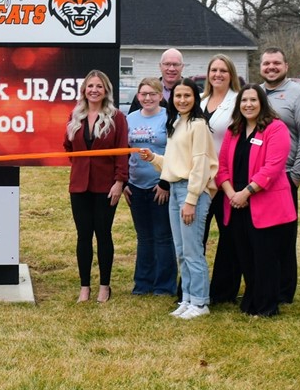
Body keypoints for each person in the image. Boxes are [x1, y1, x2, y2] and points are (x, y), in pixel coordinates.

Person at [140, 78, 218, 319]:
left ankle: (200, 302)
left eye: (187, 96)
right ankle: (187, 298)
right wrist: (153, 158)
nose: (182, 100)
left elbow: (200, 165)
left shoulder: (198, 124)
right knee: (181, 250)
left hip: (190, 191)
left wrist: (192, 199)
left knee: (194, 250)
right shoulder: (176, 122)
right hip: (174, 189)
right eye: (178, 96)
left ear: (195, 98)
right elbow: (174, 164)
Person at [216, 84, 295, 317]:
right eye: (244, 101)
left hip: (264, 204)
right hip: (236, 204)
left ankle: (267, 305)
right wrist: (231, 194)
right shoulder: (234, 131)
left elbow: (272, 168)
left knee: (265, 257)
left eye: (253, 100)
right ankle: (251, 299)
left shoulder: (275, 128)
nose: (248, 104)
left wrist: (246, 193)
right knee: (245, 255)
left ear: (262, 103)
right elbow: (221, 168)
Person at [64, 70, 128, 303]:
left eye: (99, 86)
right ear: (84, 91)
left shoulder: (117, 117)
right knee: (83, 236)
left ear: (106, 91)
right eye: (90, 86)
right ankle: (84, 287)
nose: (94, 90)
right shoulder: (75, 116)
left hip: (105, 186)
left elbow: (122, 152)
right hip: (79, 186)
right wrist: (82, 166)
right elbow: (68, 148)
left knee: (103, 234)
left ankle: (104, 286)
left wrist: (119, 182)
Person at [259, 47, 300, 303]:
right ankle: (262, 283)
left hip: (285, 176)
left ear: (286, 66)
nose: (271, 67)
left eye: (276, 63)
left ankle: (284, 290)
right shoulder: (256, 93)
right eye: (267, 63)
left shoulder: (298, 95)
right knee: (262, 235)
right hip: (258, 178)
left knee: (283, 235)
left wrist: (296, 174)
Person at [123, 77, 176, 296]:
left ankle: (164, 286)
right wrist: (125, 181)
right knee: (144, 237)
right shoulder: (130, 118)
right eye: (143, 94)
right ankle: (143, 284)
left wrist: (165, 183)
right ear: (138, 96)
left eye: (152, 94)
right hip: (136, 186)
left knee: (163, 237)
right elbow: (124, 151)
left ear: (160, 96)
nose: (147, 98)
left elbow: (175, 153)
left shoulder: (168, 118)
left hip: (160, 186)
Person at [200, 54, 242, 304]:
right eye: (213, 70)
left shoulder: (238, 101)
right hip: (201, 180)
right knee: (198, 237)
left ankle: (224, 292)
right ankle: (195, 288)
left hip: (227, 180)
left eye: (223, 71)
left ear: (231, 74)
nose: (217, 74)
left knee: (229, 236)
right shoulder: (201, 100)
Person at [128, 48, 184, 114]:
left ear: (182, 67)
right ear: (160, 66)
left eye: (175, 64)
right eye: (167, 64)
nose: (171, 69)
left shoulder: (194, 92)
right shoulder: (144, 95)